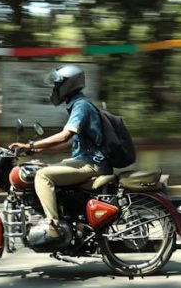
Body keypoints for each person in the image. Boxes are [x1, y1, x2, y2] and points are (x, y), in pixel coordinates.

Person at [9, 65, 111, 240]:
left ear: (68, 85)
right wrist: (36, 150)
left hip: (92, 164)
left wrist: (30, 146)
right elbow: (69, 143)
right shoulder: (79, 104)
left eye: (57, 85)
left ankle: (53, 225)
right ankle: (67, 216)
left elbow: (64, 136)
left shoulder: (81, 106)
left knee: (43, 176)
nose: (54, 89)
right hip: (86, 160)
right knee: (47, 168)